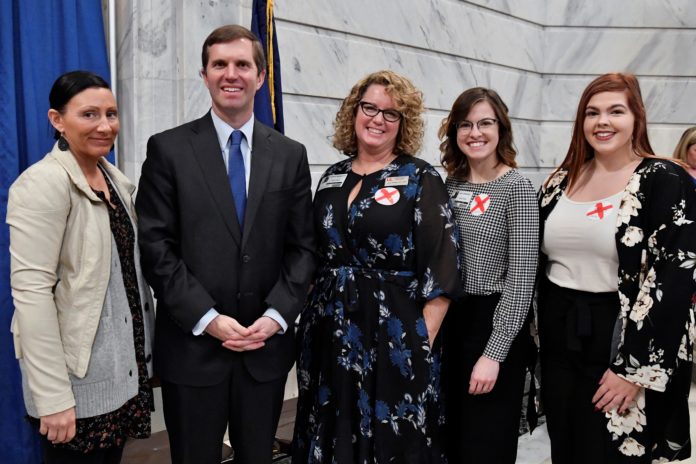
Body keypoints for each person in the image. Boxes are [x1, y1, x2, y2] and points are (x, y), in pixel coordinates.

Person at [135, 25, 315, 464]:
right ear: (204, 74)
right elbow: (156, 248)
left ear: (260, 77)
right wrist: (208, 318)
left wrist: (276, 316)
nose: (230, 74)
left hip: (265, 350)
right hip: (193, 349)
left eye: (241, 64)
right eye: (220, 64)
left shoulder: (289, 154)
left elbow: (304, 248)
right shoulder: (168, 149)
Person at [291, 70, 460, 463]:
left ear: (403, 125)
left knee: (392, 438)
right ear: (355, 111)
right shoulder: (332, 176)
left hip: (395, 336)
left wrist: (421, 343)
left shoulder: (420, 177)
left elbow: (442, 267)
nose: (378, 119)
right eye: (370, 107)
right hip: (329, 333)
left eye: (391, 113)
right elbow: (315, 255)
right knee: (329, 429)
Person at [537, 72, 696, 463]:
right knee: (567, 445)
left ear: (636, 117)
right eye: (592, 112)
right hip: (560, 338)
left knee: (609, 450)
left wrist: (631, 369)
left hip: (621, 338)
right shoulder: (561, 180)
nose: (602, 121)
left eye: (615, 111)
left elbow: (673, 279)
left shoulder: (664, 178)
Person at [7, 70, 155, 464]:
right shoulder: (41, 184)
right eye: (89, 114)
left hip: (121, 377)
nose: (105, 126)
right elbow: (32, 295)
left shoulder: (116, 181)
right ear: (58, 120)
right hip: (75, 388)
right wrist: (53, 398)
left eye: (111, 113)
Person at [438, 87, 539, 463]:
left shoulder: (517, 189)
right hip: (452, 320)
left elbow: (522, 278)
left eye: (484, 123)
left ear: (501, 129)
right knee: (454, 436)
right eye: (465, 124)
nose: (474, 133)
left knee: (486, 438)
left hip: (494, 321)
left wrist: (494, 353)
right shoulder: (451, 184)